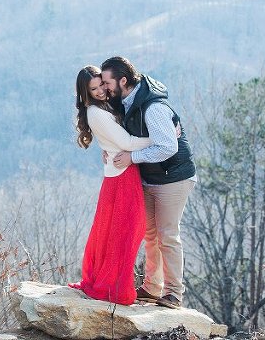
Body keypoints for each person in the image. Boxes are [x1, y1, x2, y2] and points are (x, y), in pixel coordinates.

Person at [102, 56, 196, 310]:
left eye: (108, 82)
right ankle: (153, 288)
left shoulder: (152, 108)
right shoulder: (126, 103)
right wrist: (111, 150)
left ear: (123, 80)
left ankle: (174, 293)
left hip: (174, 178)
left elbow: (167, 146)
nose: (105, 88)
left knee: (168, 235)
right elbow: (128, 137)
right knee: (150, 234)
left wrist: (133, 158)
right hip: (151, 177)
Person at [68, 65, 153, 305]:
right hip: (121, 176)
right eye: (93, 89)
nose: (100, 91)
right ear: (85, 93)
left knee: (120, 232)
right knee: (123, 233)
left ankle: (111, 281)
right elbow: (126, 141)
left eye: (101, 85)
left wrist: (108, 147)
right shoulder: (95, 112)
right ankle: (113, 286)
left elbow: (115, 137)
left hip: (122, 171)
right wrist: (163, 138)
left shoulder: (108, 105)